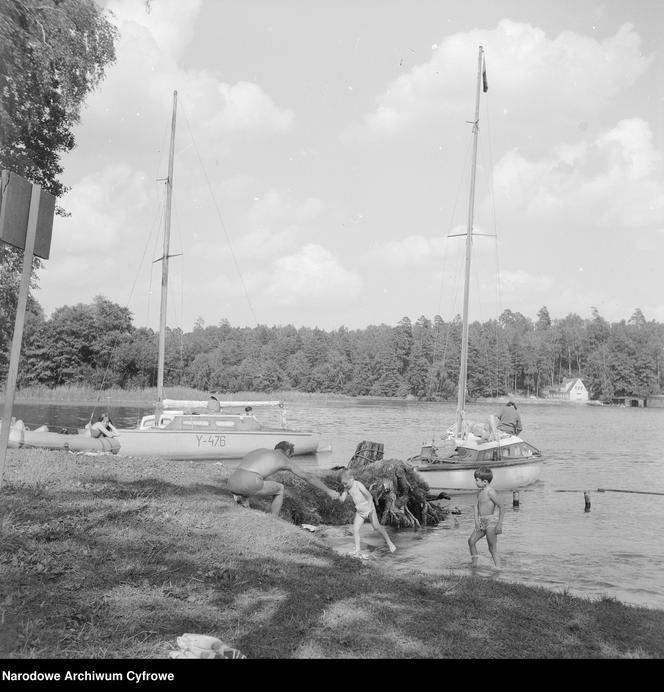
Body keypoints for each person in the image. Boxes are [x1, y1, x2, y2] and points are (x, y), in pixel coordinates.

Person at [227, 441, 339, 516]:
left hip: (232, 481)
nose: (290, 459)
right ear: (288, 452)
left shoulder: (260, 451)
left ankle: (242, 500)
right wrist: (329, 491)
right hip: (249, 482)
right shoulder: (283, 458)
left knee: (258, 481)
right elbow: (307, 476)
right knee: (280, 488)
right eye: (291, 456)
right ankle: (273, 519)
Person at [338, 469, 396, 558]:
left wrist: (369, 509)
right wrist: (337, 496)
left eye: (345, 483)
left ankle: (389, 543)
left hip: (369, 508)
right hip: (360, 510)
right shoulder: (346, 488)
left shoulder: (358, 484)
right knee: (355, 529)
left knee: (377, 527)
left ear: (352, 479)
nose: (344, 485)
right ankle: (357, 550)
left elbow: (369, 496)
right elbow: (342, 500)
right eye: (343, 483)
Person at [468, 466, 504, 567]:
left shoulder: (490, 492)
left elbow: (502, 507)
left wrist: (499, 524)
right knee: (471, 541)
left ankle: (498, 568)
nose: (475, 482)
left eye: (477, 480)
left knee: (492, 548)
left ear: (485, 482)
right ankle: (474, 564)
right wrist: (476, 522)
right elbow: (476, 508)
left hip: (491, 522)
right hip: (481, 521)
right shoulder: (479, 493)